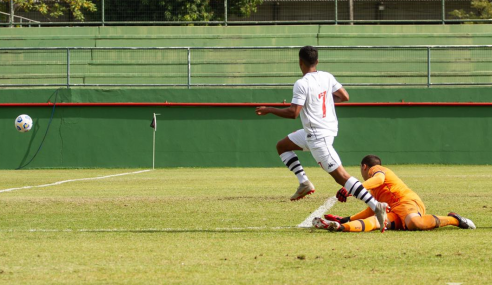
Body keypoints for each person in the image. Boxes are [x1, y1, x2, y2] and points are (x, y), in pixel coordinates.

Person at [255, 46, 389, 232]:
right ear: (317, 62)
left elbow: (294, 113)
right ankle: (304, 182)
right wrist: (324, 101)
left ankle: (376, 206)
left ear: (300, 62)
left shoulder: (301, 83)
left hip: (318, 136)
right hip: (321, 132)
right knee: (283, 145)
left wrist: (269, 109)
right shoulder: (326, 76)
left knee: (341, 177)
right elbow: (345, 96)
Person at [312, 154, 476, 232]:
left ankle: (455, 220)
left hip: (407, 203)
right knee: (376, 221)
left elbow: (380, 179)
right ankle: (341, 227)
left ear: (364, 167)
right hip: (393, 210)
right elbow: (373, 208)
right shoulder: (375, 191)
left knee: (415, 224)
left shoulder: (376, 170)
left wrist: (355, 188)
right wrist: (348, 219)